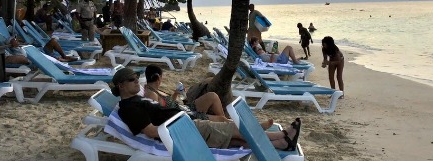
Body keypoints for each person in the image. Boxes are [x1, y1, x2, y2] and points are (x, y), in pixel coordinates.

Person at [111, 68, 301, 150]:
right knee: (234, 130)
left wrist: (176, 103)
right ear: (120, 86)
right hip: (184, 127)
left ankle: (280, 143)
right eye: (131, 79)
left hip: (184, 119)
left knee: (234, 141)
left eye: (137, 77)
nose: (137, 81)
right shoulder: (129, 108)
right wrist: (182, 122)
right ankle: (281, 136)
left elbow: (162, 108)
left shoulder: (137, 99)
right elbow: (151, 131)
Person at [143, 65, 229, 122]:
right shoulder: (151, 94)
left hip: (185, 108)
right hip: (184, 115)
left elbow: (166, 105)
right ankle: (225, 123)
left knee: (212, 96)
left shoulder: (154, 90)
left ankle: (225, 124)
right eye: (162, 77)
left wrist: (176, 93)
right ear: (158, 77)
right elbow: (160, 115)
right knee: (221, 119)